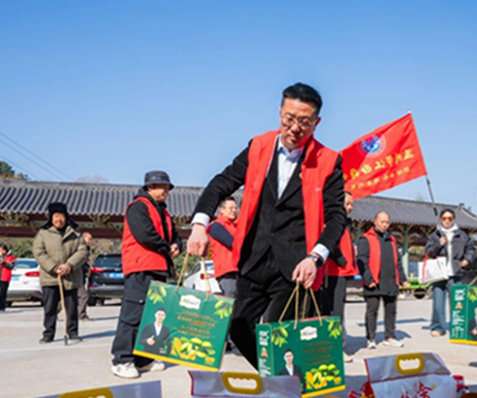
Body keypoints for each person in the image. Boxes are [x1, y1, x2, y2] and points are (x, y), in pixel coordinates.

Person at [186, 83, 345, 369]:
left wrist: (315, 257)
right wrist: (200, 224)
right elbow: (222, 183)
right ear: (280, 112)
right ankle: (277, 379)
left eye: (304, 122)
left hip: (296, 266)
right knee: (238, 328)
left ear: (317, 122)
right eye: (289, 118)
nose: (295, 128)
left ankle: (280, 385)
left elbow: (336, 217)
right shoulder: (259, 146)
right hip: (253, 259)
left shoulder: (329, 160)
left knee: (275, 334)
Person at [111, 171, 181, 379]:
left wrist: (177, 245)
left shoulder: (164, 212)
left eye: (168, 188)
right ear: (150, 187)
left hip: (159, 267)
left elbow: (175, 234)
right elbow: (144, 234)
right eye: (163, 187)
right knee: (132, 314)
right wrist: (166, 247)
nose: (166, 191)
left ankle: (143, 359)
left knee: (151, 315)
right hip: (141, 266)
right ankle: (122, 359)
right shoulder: (138, 207)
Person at [33, 202, 88, 344]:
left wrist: (69, 265)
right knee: (50, 308)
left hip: (71, 276)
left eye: (61, 216)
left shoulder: (75, 234)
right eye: (55, 216)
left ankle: (73, 332)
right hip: (50, 277)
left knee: (71, 307)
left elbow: (82, 252)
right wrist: (53, 267)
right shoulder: (43, 234)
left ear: (66, 217)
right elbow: (38, 252)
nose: (58, 219)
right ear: (51, 218)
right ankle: (48, 333)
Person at [357, 211, 408, 349]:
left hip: (390, 281)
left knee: (391, 311)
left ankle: (390, 337)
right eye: (382, 222)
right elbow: (362, 261)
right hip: (374, 281)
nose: (385, 225)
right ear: (375, 222)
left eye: (387, 222)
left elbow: (398, 261)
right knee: (372, 311)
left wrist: (403, 279)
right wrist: (368, 279)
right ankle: (370, 338)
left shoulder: (392, 240)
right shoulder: (366, 239)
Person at [425, 209, 476, 337]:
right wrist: (439, 244)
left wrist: (467, 260)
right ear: (440, 220)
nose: (447, 221)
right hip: (439, 273)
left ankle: (459, 326)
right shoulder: (435, 235)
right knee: (438, 302)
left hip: (455, 272)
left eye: (450, 218)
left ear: (454, 220)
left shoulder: (462, 235)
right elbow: (429, 252)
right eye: (444, 218)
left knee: (458, 302)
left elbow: (471, 249)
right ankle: (438, 327)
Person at [323, 190, 357, 359]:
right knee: (334, 312)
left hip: (342, 273)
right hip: (333, 272)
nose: (350, 207)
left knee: (338, 311)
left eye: (352, 204)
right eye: (347, 204)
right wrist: (341, 260)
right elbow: (329, 242)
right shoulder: (332, 220)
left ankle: (334, 346)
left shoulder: (345, 223)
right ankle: (334, 349)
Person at [208, 198, 239, 297]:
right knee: (230, 299)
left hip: (238, 270)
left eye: (235, 208)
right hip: (227, 271)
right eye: (231, 208)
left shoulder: (235, 226)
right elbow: (232, 243)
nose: (234, 210)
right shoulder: (216, 226)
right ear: (222, 209)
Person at [78, 232, 93, 321]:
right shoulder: (79, 248)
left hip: (82, 276)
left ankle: (53, 312)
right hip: (77, 276)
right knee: (84, 296)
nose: (90, 241)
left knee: (71, 297)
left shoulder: (87, 249)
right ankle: (81, 315)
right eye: (89, 239)